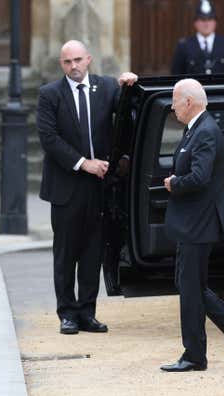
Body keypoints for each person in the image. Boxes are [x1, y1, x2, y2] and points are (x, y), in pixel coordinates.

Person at [37, 40, 138, 335]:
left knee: (93, 252)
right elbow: (49, 138)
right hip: (67, 185)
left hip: (100, 186)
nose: (74, 66)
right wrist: (84, 163)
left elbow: (129, 112)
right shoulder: (49, 94)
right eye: (68, 62)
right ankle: (67, 313)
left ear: (89, 59)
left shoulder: (106, 88)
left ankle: (87, 312)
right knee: (67, 252)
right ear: (61, 64)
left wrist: (130, 85)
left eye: (78, 60)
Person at [160, 79, 224, 372]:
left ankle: (195, 355)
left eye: (175, 101)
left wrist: (174, 183)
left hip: (199, 224)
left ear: (189, 102)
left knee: (190, 288)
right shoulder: (195, 129)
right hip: (192, 223)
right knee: (190, 286)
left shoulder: (206, 132)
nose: (172, 106)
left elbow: (199, 177)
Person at [170, 0, 224, 75]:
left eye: (210, 19)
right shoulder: (184, 45)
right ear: (195, 23)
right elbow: (176, 75)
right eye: (202, 20)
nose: (206, 24)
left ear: (215, 22)